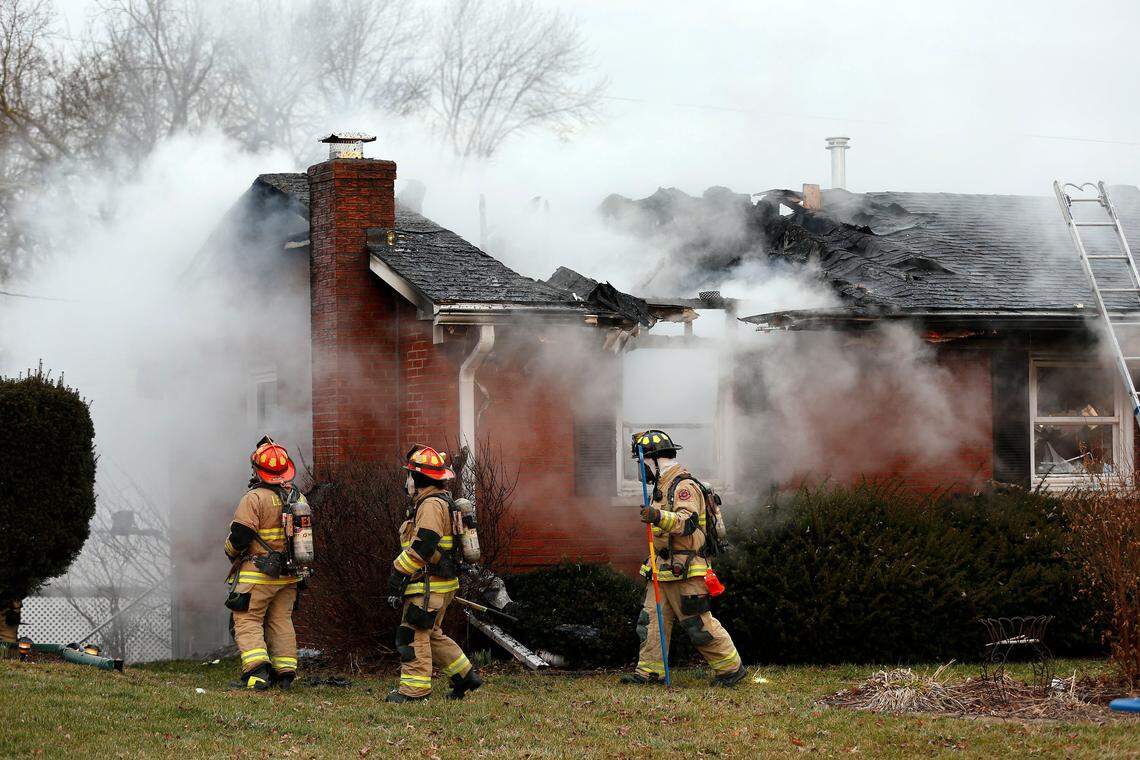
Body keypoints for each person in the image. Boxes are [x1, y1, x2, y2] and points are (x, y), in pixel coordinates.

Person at [620, 429, 746, 686]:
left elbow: (687, 523)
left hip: (686, 570)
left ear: (655, 460)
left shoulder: (684, 486)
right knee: (651, 624)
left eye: (642, 463)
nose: (641, 469)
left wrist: (657, 517)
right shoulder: (662, 486)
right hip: (662, 569)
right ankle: (650, 673)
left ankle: (731, 670)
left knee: (698, 625)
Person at [385, 445, 482, 702]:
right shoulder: (441, 501)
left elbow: (424, 545)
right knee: (432, 634)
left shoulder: (429, 505)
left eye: (409, 476)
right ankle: (465, 675)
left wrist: (397, 571)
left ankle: (414, 691)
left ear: (418, 479)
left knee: (412, 634)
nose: (406, 482)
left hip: (428, 585)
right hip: (441, 584)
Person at [224, 436, 304, 690]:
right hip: (290, 574)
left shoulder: (254, 498)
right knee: (281, 620)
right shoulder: (300, 499)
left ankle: (257, 674)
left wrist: (229, 549)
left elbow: (240, 537)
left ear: (258, 470)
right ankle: (285, 674)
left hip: (258, 575)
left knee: (247, 619)